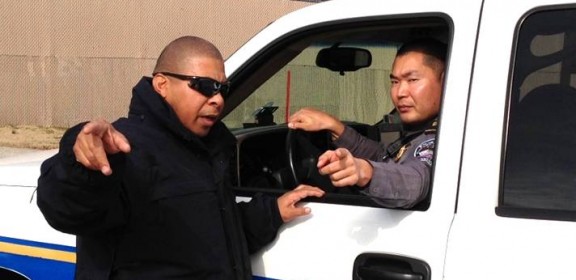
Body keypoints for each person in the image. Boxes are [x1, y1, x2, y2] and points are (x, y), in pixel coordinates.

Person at [37, 36, 325, 279]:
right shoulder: (125, 148)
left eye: (222, 88)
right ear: (162, 85)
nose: (218, 99)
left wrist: (272, 212)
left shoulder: (209, 148)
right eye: (203, 86)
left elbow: (207, 232)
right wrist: (79, 163)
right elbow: (68, 209)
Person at [288, 38, 446, 209]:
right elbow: (385, 157)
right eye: (395, 82)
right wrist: (336, 127)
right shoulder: (423, 132)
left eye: (412, 80)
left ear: (445, 81)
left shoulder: (441, 139)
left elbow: (415, 181)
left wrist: (366, 172)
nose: (400, 92)